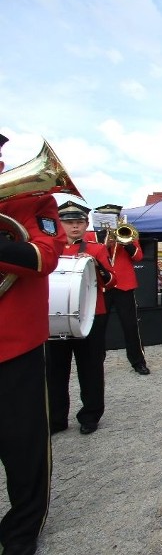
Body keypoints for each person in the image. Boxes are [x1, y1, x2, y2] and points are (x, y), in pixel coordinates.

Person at [0, 133, 67, 555]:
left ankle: (22, 530)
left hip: (13, 344)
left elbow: (45, 258)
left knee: (22, 446)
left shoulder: (31, 202)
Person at [45, 201, 116, 435]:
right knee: (55, 369)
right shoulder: (49, 249)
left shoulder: (96, 249)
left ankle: (90, 415)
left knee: (90, 368)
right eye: (69, 222)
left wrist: (96, 265)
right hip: (55, 316)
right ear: (60, 224)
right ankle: (56, 418)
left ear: (86, 224)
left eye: (79, 222)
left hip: (91, 314)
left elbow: (111, 281)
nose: (74, 227)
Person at [91, 204, 149, 375]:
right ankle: (95, 361)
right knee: (98, 326)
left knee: (131, 326)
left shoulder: (127, 232)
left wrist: (127, 243)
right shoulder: (93, 236)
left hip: (124, 285)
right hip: (102, 285)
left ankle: (138, 361)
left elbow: (138, 257)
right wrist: (104, 244)